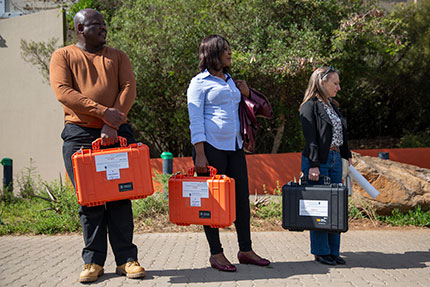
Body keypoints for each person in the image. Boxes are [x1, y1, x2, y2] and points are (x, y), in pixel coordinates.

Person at [49, 8, 146, 283]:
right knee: (90, 200)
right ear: (80, 29)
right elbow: (63, 92)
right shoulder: (63, 56)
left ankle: (127, 259)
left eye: (104, 24)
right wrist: (103, 112)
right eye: (96, 25)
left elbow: (129, 87)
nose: (103, 28)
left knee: (120, 196)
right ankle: (93, 262)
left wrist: (113, 124)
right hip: (79, 134)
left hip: (115, 134)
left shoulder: (118, 56)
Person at [187, 34, 270, 272]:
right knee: (212, 203)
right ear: (213, 53)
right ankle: (216, 253)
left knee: (241, 200)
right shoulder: (199, 83)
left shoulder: (230, 80)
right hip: (210, 149)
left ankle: (246, 250)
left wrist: (245, 92)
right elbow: (195, 120)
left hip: (234, 147)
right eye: (225, 49)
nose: (230, 53)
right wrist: (199, 153)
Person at [299, 66, 352, 265]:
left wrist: (346, 156)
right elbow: (310, 138)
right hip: (318, 161)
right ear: (322, 81)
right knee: (320, 208)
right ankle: (321, 252)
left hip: (336, 159)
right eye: (335, 83)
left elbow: (341, 135)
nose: (339, 87)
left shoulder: (333, 106)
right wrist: (313, 165)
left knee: (336, 207)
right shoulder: (309, 106)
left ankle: (333, 251)